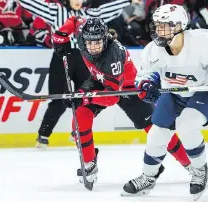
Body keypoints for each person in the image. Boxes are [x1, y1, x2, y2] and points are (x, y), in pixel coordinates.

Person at [121, 4, 208, 201]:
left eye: (165, 25)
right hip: (176, 91)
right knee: (156, 133)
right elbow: (145, 76)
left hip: (207, 90)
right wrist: (147, 86)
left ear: (180, 25)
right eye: (157, 25)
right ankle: (148, 177)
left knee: (187, 125)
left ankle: (200, 172)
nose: (158, 30)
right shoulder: (152, 50)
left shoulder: (202, 40)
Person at [52, 16, 193, 184]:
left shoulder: (113, 57)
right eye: (90, 43)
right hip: (99, 80)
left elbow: (112, 97)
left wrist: (83, 99)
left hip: (128, 88)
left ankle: (191, 164)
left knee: (156, 129)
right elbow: (75, 20)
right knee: (80, 117)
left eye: (98, 42)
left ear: (105, 39)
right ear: (83, 38)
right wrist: (60, 35)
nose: (94, 47)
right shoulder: (84, 35)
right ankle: (89, 162)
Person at [18, 0, 141, 148]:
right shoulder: (57, 11)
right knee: (58, 101)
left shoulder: (90, 15)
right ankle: (43, 134)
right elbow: (35, 5)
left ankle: (77, 131)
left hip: (85, 59)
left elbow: (109, 9)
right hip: (62, 57)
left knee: (85, 96)